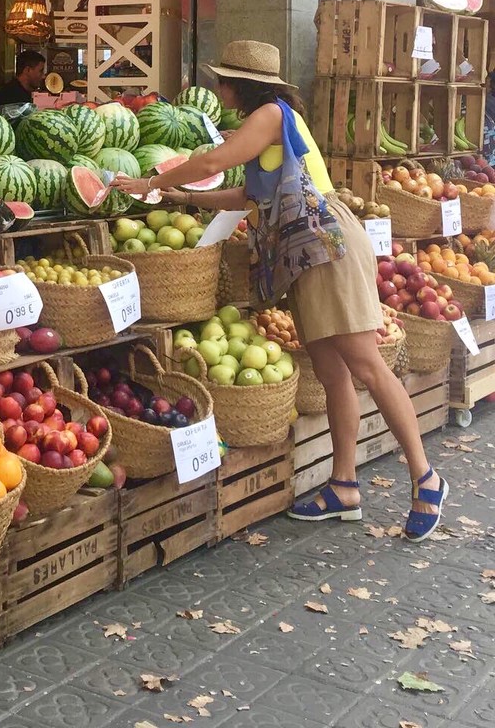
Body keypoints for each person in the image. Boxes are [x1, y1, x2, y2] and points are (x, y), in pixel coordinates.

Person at [111, 41, 447, 542]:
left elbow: (211, 163)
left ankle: (426, 478)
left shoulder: (269, 113)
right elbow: (251, 194)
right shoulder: (273, 120)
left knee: (367, 365)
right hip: (304, 250)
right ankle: (344, 486)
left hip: (324, 242)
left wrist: (147, 183)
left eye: (221, 79)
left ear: (237, 83)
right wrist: (180, 197)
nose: (216, 88)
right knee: (333, 371)